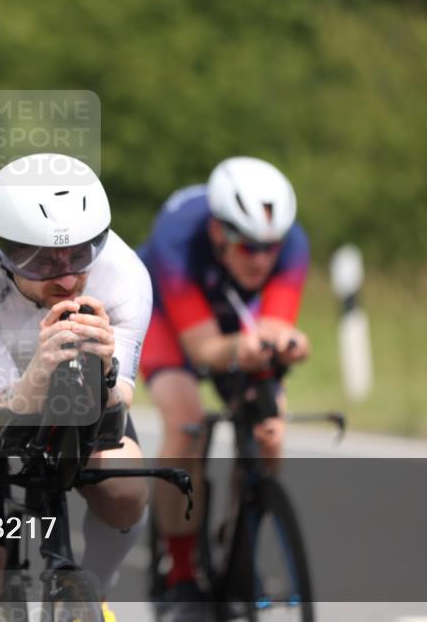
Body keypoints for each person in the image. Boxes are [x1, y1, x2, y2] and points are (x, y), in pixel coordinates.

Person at [0, 153, 154, 622]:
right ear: (3, 252)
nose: (65, 277)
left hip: (75, 367)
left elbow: (119, 399)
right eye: (41, 261)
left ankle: (92, 595)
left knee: (124, 490)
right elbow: (0, 419)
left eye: (80, 254)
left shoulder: (125, 276)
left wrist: (104, 371)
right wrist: (39, 372)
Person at [137, 157, 310, 612]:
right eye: (249, 247)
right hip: (165, 315)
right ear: (218, 232)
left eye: (271, 247)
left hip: (232, 317)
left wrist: (287, 344)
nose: (262, 259)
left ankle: (238, 544)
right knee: (187, 422)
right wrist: (243, 349)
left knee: (269, 431)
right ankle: (177, 576)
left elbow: (271, 329)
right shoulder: (178, 236)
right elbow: (203, 351)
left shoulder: (293, 245)